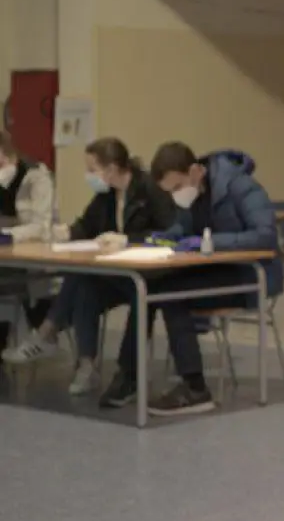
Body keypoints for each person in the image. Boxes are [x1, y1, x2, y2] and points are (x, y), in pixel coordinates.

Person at [108, 142, 283, 416]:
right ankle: (128, 374)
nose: (176, 195)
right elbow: (185, 226)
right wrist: (168, 236)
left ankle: (195, 388)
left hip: (251, 274)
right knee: (150, 285)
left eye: (177, 187)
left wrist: (209, 242)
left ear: (194, 171)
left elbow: (266, 235)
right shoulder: (194, 194)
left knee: (170, 293)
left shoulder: (241, 186)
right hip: (218, 269)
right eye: (170, 192)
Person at [2, 137, 176, 397]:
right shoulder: (107, 195)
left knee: (84, 279)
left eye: (92, 169)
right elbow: (86, 225)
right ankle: (86, 366)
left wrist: (129, 240)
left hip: (149, 275)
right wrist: (63, 234)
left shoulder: (148, 190)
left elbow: (170, 233)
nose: (88, 175)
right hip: (119, 274)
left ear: (112, 169)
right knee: (83, 284)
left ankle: (47, 333)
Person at [0, 130, 56, 355]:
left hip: (32, 252)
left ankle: (39, 333)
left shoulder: (36, 176)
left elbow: (42, 226)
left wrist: (9, 234)